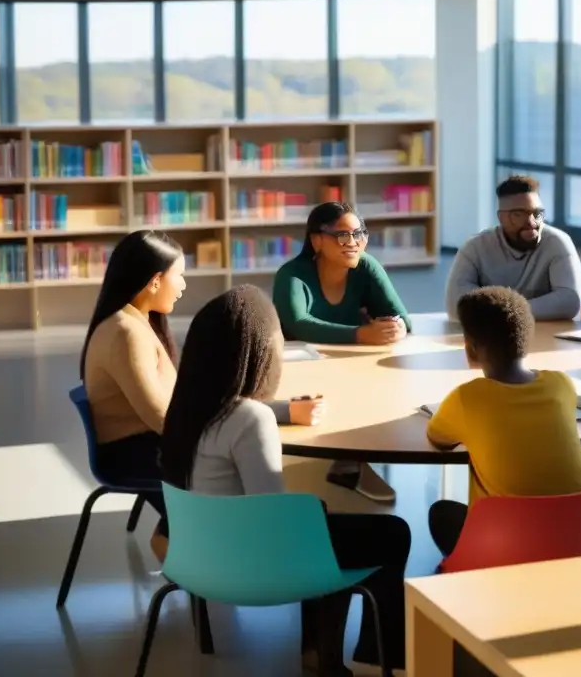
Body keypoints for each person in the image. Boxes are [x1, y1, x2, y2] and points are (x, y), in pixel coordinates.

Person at [160, 285, 410, 676]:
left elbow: (241, 418)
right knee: (387, 532)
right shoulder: (249, 419)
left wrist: (285, 412)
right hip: (252, 567)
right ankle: (373, 653)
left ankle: (317, 649)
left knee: (321, 522)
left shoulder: (187, 410)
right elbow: (274, 518)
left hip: (197, 558)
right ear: (260, 353)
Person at [425, 287, 581, 557]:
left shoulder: (468, 398)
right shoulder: (561, 384)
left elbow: (438, 438)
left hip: (510, 545)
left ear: (470, 347)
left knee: (442, 514)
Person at [273, 201, 410, 503]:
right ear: (316, 240)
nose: (353, 243)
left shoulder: (366, 266)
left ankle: (352, 464)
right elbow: (299, 324)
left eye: (359, 234)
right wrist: (361, 333)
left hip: (351, 367)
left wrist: (395, 327)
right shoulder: (291, 275)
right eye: (342, 235)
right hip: (301, 374)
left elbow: (402, 317)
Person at [81, 230, 187, 562]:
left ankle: (176, 535)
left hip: (145, 444)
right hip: (132, 453)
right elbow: (157, 415)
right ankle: (171, 538)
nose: (183, 286)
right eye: (179, 276)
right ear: (155, 281)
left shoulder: (138, 321)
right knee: (222, 467)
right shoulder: (126, 332)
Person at [445, 176, 581, 321]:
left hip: (547, 337)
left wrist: (507, 311)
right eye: (519, 214)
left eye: (537, 214)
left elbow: (570, 300)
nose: (532, 222)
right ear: (501, 217)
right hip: (491, 339)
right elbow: (455, 304)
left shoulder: (557, 243)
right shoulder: (475, 248)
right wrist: (516, 311)